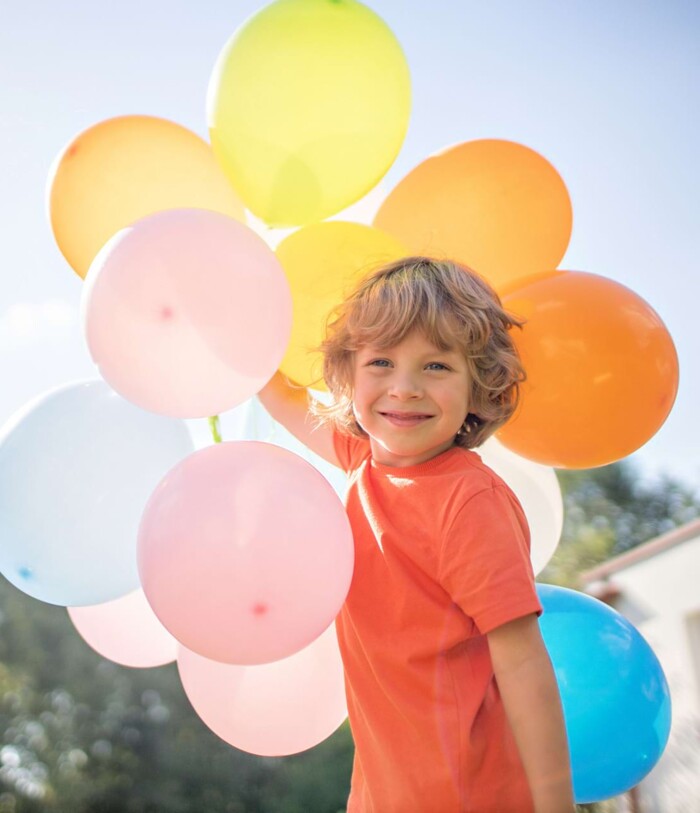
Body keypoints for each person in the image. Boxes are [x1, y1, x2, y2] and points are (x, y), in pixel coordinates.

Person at [258, 257, 574, 813]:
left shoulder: (468, 502)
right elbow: (281, 398)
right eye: (381, 361)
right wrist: (231, 329)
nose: (403, 389)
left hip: (470, 795)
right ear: (348, 375)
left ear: (479, 387)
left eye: (436, 367)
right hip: (383, 796)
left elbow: (523, 662)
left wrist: (555, 806)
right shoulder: (363, 460)